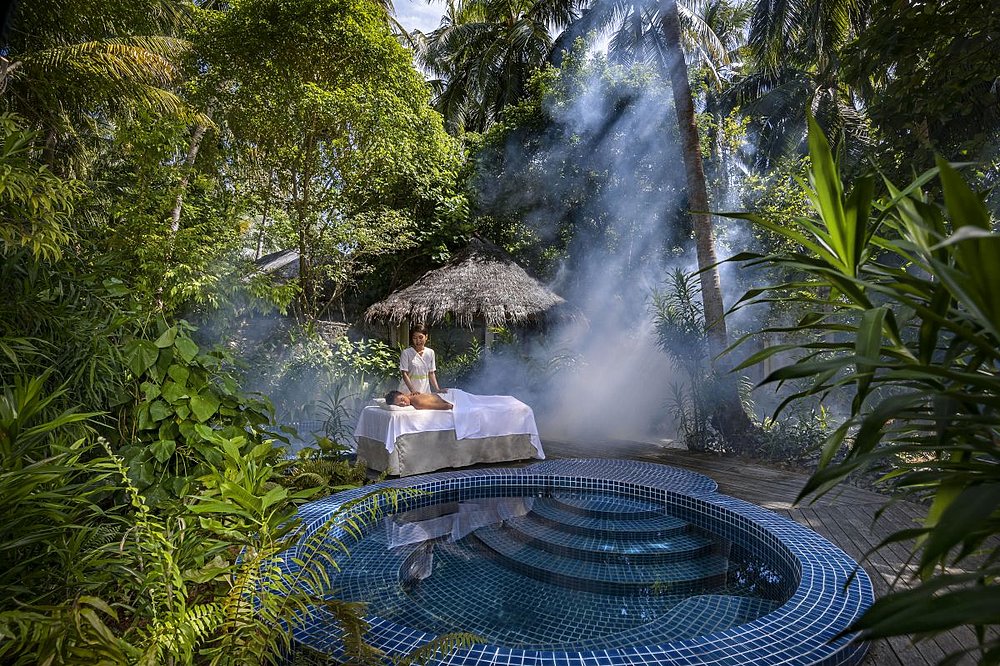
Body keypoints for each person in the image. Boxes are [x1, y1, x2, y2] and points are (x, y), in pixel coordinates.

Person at [398, 324, 442, 394]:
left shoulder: (430, 353)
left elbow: (431, 373)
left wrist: (437, 389)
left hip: (424, 390)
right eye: (415, 338)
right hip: (407, 391)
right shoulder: (406, 353)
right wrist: (413, 391)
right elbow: (404, 374)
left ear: (426, 337)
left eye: (420, 337)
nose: (418, 341)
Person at [384, 390, 453, 410]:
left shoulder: (417, 403)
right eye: (400, 404)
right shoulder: (412, 396)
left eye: (402, 399)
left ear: (403, 394)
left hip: (450, 398)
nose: (404, 403)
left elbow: (447, 406)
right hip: (448, 394)